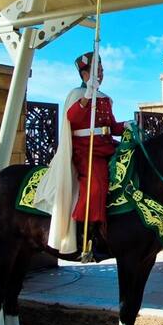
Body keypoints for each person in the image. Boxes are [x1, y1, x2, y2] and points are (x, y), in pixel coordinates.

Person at [65, 52, 125, 239]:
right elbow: (71, 119)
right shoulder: (77, 94)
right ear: (84, 74)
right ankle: (89, 230)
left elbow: (111, 126)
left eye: (101, 70)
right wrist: (86, 98)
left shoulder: (105, 98)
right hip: (87, 150)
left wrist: (127, 125)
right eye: (95, 70)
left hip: (107, 146)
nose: (100, 74)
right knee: (96, 184)